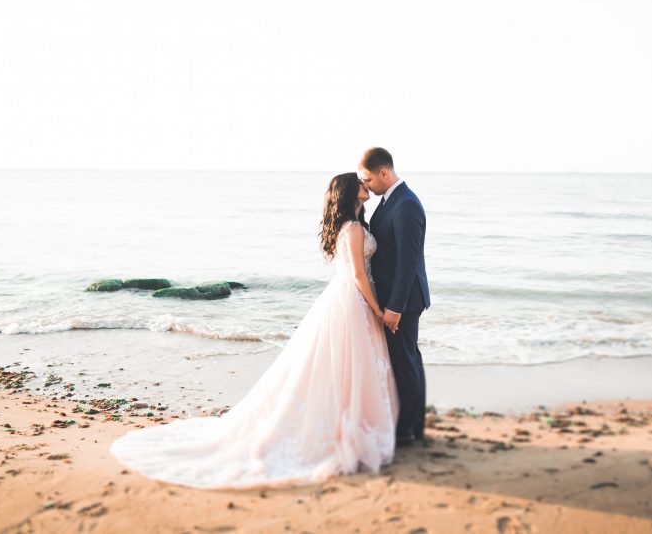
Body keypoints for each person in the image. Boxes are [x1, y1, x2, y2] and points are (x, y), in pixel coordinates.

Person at [109, 173, 398, 489]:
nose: (364, 184)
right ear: (347, 192)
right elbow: (358, 274)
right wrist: (377, 309)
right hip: (352, 300)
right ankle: (342, 427)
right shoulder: (354, 229)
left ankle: (346, 423)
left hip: (344, 300)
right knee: (345, 366)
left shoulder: (353, 226)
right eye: (358, 181)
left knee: (339, 367)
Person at [357, 147, 430, 446]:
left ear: (384, 173)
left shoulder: (407, 205)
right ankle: (414, 424)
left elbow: (407, 262)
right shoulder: (391, 200)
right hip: (395, 298)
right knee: (409, 359)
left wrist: (395, 308)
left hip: (404, 301)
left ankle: (408, 431)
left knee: (405, 361)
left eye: (369, 180)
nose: (367, 186)